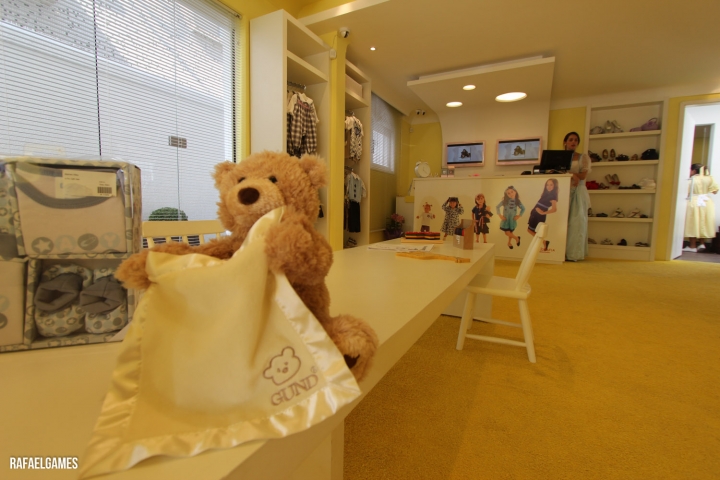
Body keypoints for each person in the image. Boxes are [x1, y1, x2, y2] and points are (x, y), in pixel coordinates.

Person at [564, 132, 591, 261]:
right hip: (563, 192)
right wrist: (571, 175)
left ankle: (573, 254)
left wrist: (574, 175)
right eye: (570, 140)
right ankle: (559, 252)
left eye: (575, 140)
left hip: (577, 193)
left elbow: (583, 176)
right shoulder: (560, 157)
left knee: (576, 223)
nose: (573, 142)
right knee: (561, 223)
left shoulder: (583, 157)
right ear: (565, 142)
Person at [684, 163, 719, 252]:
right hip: (706, 202)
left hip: (694, 201)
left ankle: (692, 246)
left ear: (694, 171)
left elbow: (684, 191)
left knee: (693, 223)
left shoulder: (691, 179)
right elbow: (715, 191)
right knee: (703, 222)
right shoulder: (709, 178)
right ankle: (702, 244)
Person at [528, 178, 558, 251]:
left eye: (551, 185)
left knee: (531, 230)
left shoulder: (553, 196)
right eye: (547, 185)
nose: (549, 186)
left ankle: (543, 242)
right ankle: (544, 242)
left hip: (538, 216)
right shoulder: (546, 194)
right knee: (533, 230)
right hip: (535, 214)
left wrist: (543, 213)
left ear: (554, 186)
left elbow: (554, 209)